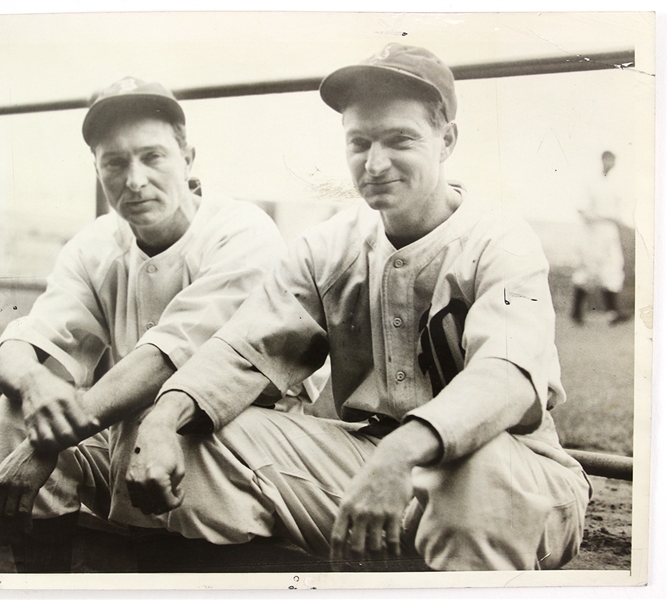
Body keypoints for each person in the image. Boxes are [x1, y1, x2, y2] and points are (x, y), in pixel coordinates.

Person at [124, 44, 591, 571]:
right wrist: (164, 417)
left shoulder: (500, 238)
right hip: (371, 467)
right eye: (359, 142)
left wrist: (401, 452)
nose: (374, 163)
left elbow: (508, 378)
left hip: (517, 474)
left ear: (447, 140)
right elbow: (244, 350)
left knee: (473, 478)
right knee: (199, 438)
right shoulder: (330, 245)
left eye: (400, 140)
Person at [0, 77, 301, 572]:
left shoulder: (241, 231)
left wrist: (49, 442)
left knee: (163, 420)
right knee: (13, 414)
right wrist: (33, 381)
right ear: (97, 170)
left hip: (241, 444)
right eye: (115, 163)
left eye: (152, 157)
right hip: (133, 442)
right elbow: (32, 336)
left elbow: (168, 359)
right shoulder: (95, 244)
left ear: (188, 157)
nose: (134, 180)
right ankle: (44, 582)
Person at [571, 150, 630, 325]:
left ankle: (613, 313)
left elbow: (619, 211)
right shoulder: (591, 181)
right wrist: (595, 217)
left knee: (612, 267)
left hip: (609, 230)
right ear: (602, 160)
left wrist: (613, 219)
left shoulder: (615, 184)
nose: (610, 164)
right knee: (588, 269)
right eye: (608, 160)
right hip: (593, 231)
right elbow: (581, 208)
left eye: (613, 161)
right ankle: (576, 312)